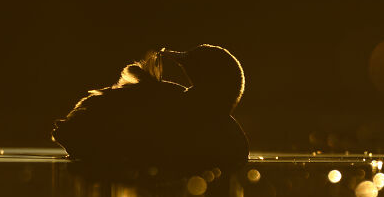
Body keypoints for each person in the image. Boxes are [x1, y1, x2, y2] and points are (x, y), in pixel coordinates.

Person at [52, 44, 249, 172]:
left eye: (194, 61)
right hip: (107, 148)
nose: (175, 56)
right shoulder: (227, 139)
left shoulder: (184, 111)